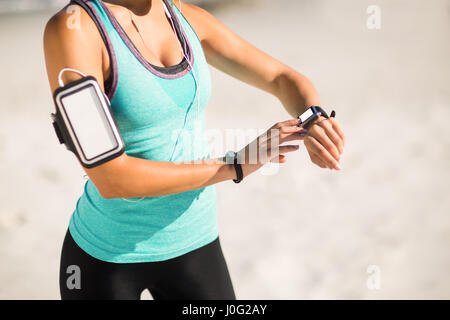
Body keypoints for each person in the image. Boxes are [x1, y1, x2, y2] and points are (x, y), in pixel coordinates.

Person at [43, 0, 345, 300]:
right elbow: (111, 178)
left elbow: (280, 78)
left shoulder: (183, 16)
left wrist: (313, 118)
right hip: (108, 258)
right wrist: (236, 165)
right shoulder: (75, 29)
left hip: (196, 243)